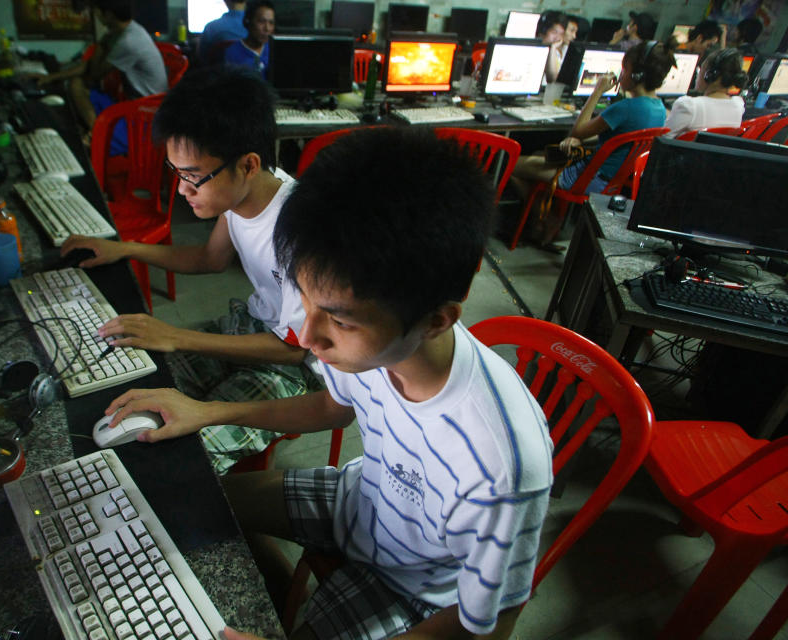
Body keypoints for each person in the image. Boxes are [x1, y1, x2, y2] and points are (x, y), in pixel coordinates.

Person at [99, 127, 554, 640]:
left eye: (339, 319)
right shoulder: (368, 337)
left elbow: (486, 627)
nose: (308, 335)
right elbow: (332, 408)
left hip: (415, 586)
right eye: (305, 298)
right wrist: (209, 410)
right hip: (360, 500)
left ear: (437, 320)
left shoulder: (501, 463)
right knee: (194, 500)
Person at [60, 66, 319, 474]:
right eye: (177, 173)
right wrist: (126, 248)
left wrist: (178, 337)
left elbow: (295, 349)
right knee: (132, 390)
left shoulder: (300, 231)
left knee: (178, 458)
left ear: (248, 165)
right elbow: (208, 259)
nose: (182, 190)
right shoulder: (241, 199)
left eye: (195, 177)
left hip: (297, 371)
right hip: (252, 327)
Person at [511, 40, 675, 242]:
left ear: (636, 75)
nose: (620, 74)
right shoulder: (658, 109)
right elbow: (620, 139)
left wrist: (597, 91)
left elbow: (578, 130)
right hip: (614, 182)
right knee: (539, 156)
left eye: (624, 69)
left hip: (589, 179)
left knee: (511, 165)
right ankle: (548, 217)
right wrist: (579, 140)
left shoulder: (625, 108)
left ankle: (547, 218)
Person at [34, 0, 166, 136]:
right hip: (135, 103)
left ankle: (97, 135)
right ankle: (93, 131)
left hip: (144, 113)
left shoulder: (128, 41)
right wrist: (51, 77)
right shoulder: (127, 31)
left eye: (96, 11)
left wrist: (102, 44)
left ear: (108, 15)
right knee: (76, 85)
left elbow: (94, 75)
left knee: (77, 85)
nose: (95, 15)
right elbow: (89, 65)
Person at [665, 48, 747, 138]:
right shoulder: (738, 106)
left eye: (701, 69)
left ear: (709, 75)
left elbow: (662, 138)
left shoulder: (689, 106)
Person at [223, 0, 275, 78]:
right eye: (261, 22)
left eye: (271, 23)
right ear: (248, 22)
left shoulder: (274, 50)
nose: (267, 28)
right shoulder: (232, 53)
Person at [200, 0, 248, 64]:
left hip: (219, 72)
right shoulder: (255, 26)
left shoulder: (211, 27)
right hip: (252, 72)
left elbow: (202, 57)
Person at [538, 11, 566, 83]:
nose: (558, 38)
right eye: (554, 33)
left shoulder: (555, 52)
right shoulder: (534, 51)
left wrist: (553, 49)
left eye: (561, 34)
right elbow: (551, 79)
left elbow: (553, 80)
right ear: (542, 32)